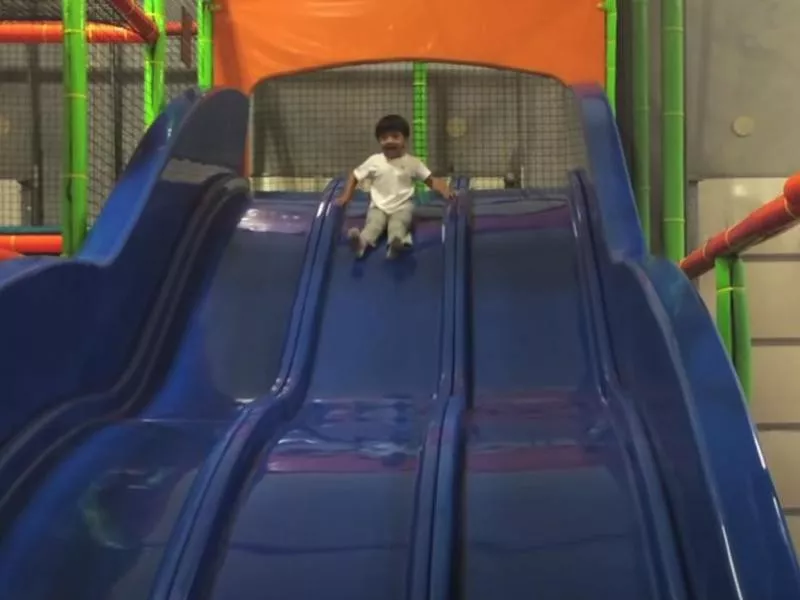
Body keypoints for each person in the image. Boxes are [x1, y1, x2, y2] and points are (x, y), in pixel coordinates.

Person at [336, 114, 455, 258]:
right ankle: (361, 243)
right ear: (379, 141)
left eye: (395, 136)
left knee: (398, 224)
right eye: (384, 138)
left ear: (404, 140)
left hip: (403, 205)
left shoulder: (413, 163)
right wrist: (346, 196)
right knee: (374, 224)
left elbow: (431, 180)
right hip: (378, 205)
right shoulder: (375, 160)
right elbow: (355, 176)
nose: (389, 141)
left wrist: (445, 190)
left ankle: (395, 244)